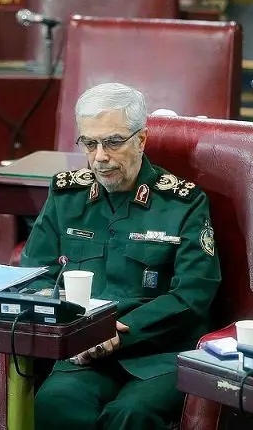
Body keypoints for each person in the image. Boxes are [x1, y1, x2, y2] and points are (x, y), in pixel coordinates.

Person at [21, 82, 221, 430]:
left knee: (130, 415)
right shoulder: (67, 195)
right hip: (84, 352)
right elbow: (36, 274)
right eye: (89, 143)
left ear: (141, 140)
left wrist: (122, 332)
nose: (100, 156)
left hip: (157, 353)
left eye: (113, 142)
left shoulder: (182, 203)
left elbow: (194, 292)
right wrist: (72, 328)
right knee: (54, 405)